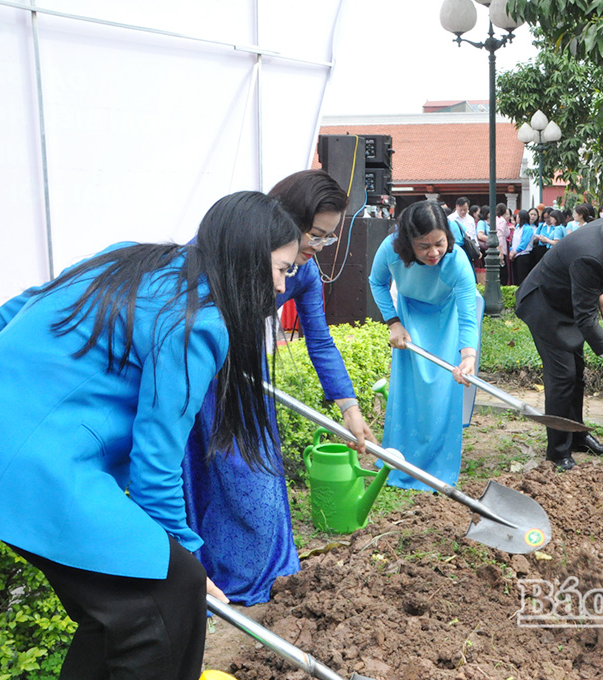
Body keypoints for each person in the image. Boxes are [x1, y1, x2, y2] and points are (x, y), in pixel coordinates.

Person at [0, 192, 300, 679]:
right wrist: (184, 556)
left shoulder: (133, 258)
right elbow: (157, 459)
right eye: (280, 268)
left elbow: (14, 308)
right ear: (247, 259)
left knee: (126, 610)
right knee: (170, 592)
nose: (280, 286)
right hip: (35, 464)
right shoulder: (201, 321)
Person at [183, 170, 376, 605]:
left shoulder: (304, 274)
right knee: (200, 478)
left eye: (327, 239)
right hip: (201, 375)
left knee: (254, 483)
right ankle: (202, 580)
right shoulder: (225, 249)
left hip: (248, 384)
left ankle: (255, 575)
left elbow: (319, 338)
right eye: (314, 234)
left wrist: (349, 406)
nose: (317, 248)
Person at [515, 203, 603, 471]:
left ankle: (578, 437)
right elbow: (586, 320)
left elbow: (589, 280)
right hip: (544, 305)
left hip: (568, 301)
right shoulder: (591, 255)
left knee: (576, 373)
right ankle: (558, 451)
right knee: (562, 377)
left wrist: (599, 293)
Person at [369, 200, 483, 489]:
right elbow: (376, 282)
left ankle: (436, 465)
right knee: (409, 388)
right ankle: (400, 457)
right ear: (408, 243)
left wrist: (468, 356)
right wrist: (393, 321)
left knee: (442, 388)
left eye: (439, 243)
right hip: (409, 316)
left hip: (447, 317)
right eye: (423, 246)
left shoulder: (456, 260)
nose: (433, 253)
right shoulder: (391, 249)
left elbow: (468, 313)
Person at [511, 208, 537, 285]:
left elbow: (524, 242)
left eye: (518, 216)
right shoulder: (517, 227)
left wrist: (515, 252)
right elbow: (514, 241)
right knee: (516, 277)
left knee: (522, 277)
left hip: (523, 255)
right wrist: (511, 250)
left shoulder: (528, 228)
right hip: (515, 255)